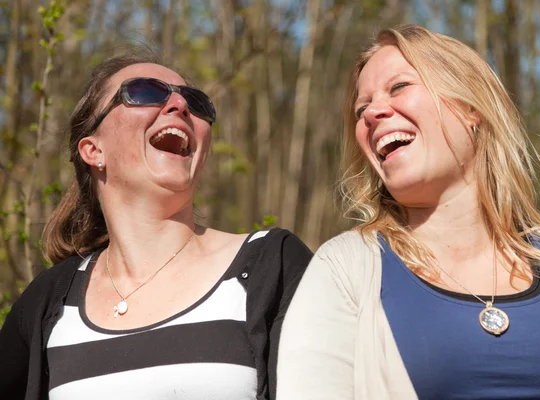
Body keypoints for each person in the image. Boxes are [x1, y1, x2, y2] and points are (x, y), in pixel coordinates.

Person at [277, 24, 540, 400]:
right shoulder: (346, 269)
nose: (372, 113)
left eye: (399, 87)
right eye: (361, 108)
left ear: (471, 107)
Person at [0, 52, 312, 400]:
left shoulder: (273, 266)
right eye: (145, 92)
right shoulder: (49, 302)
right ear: (93, 149)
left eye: (196, 102)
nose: (179, 104)